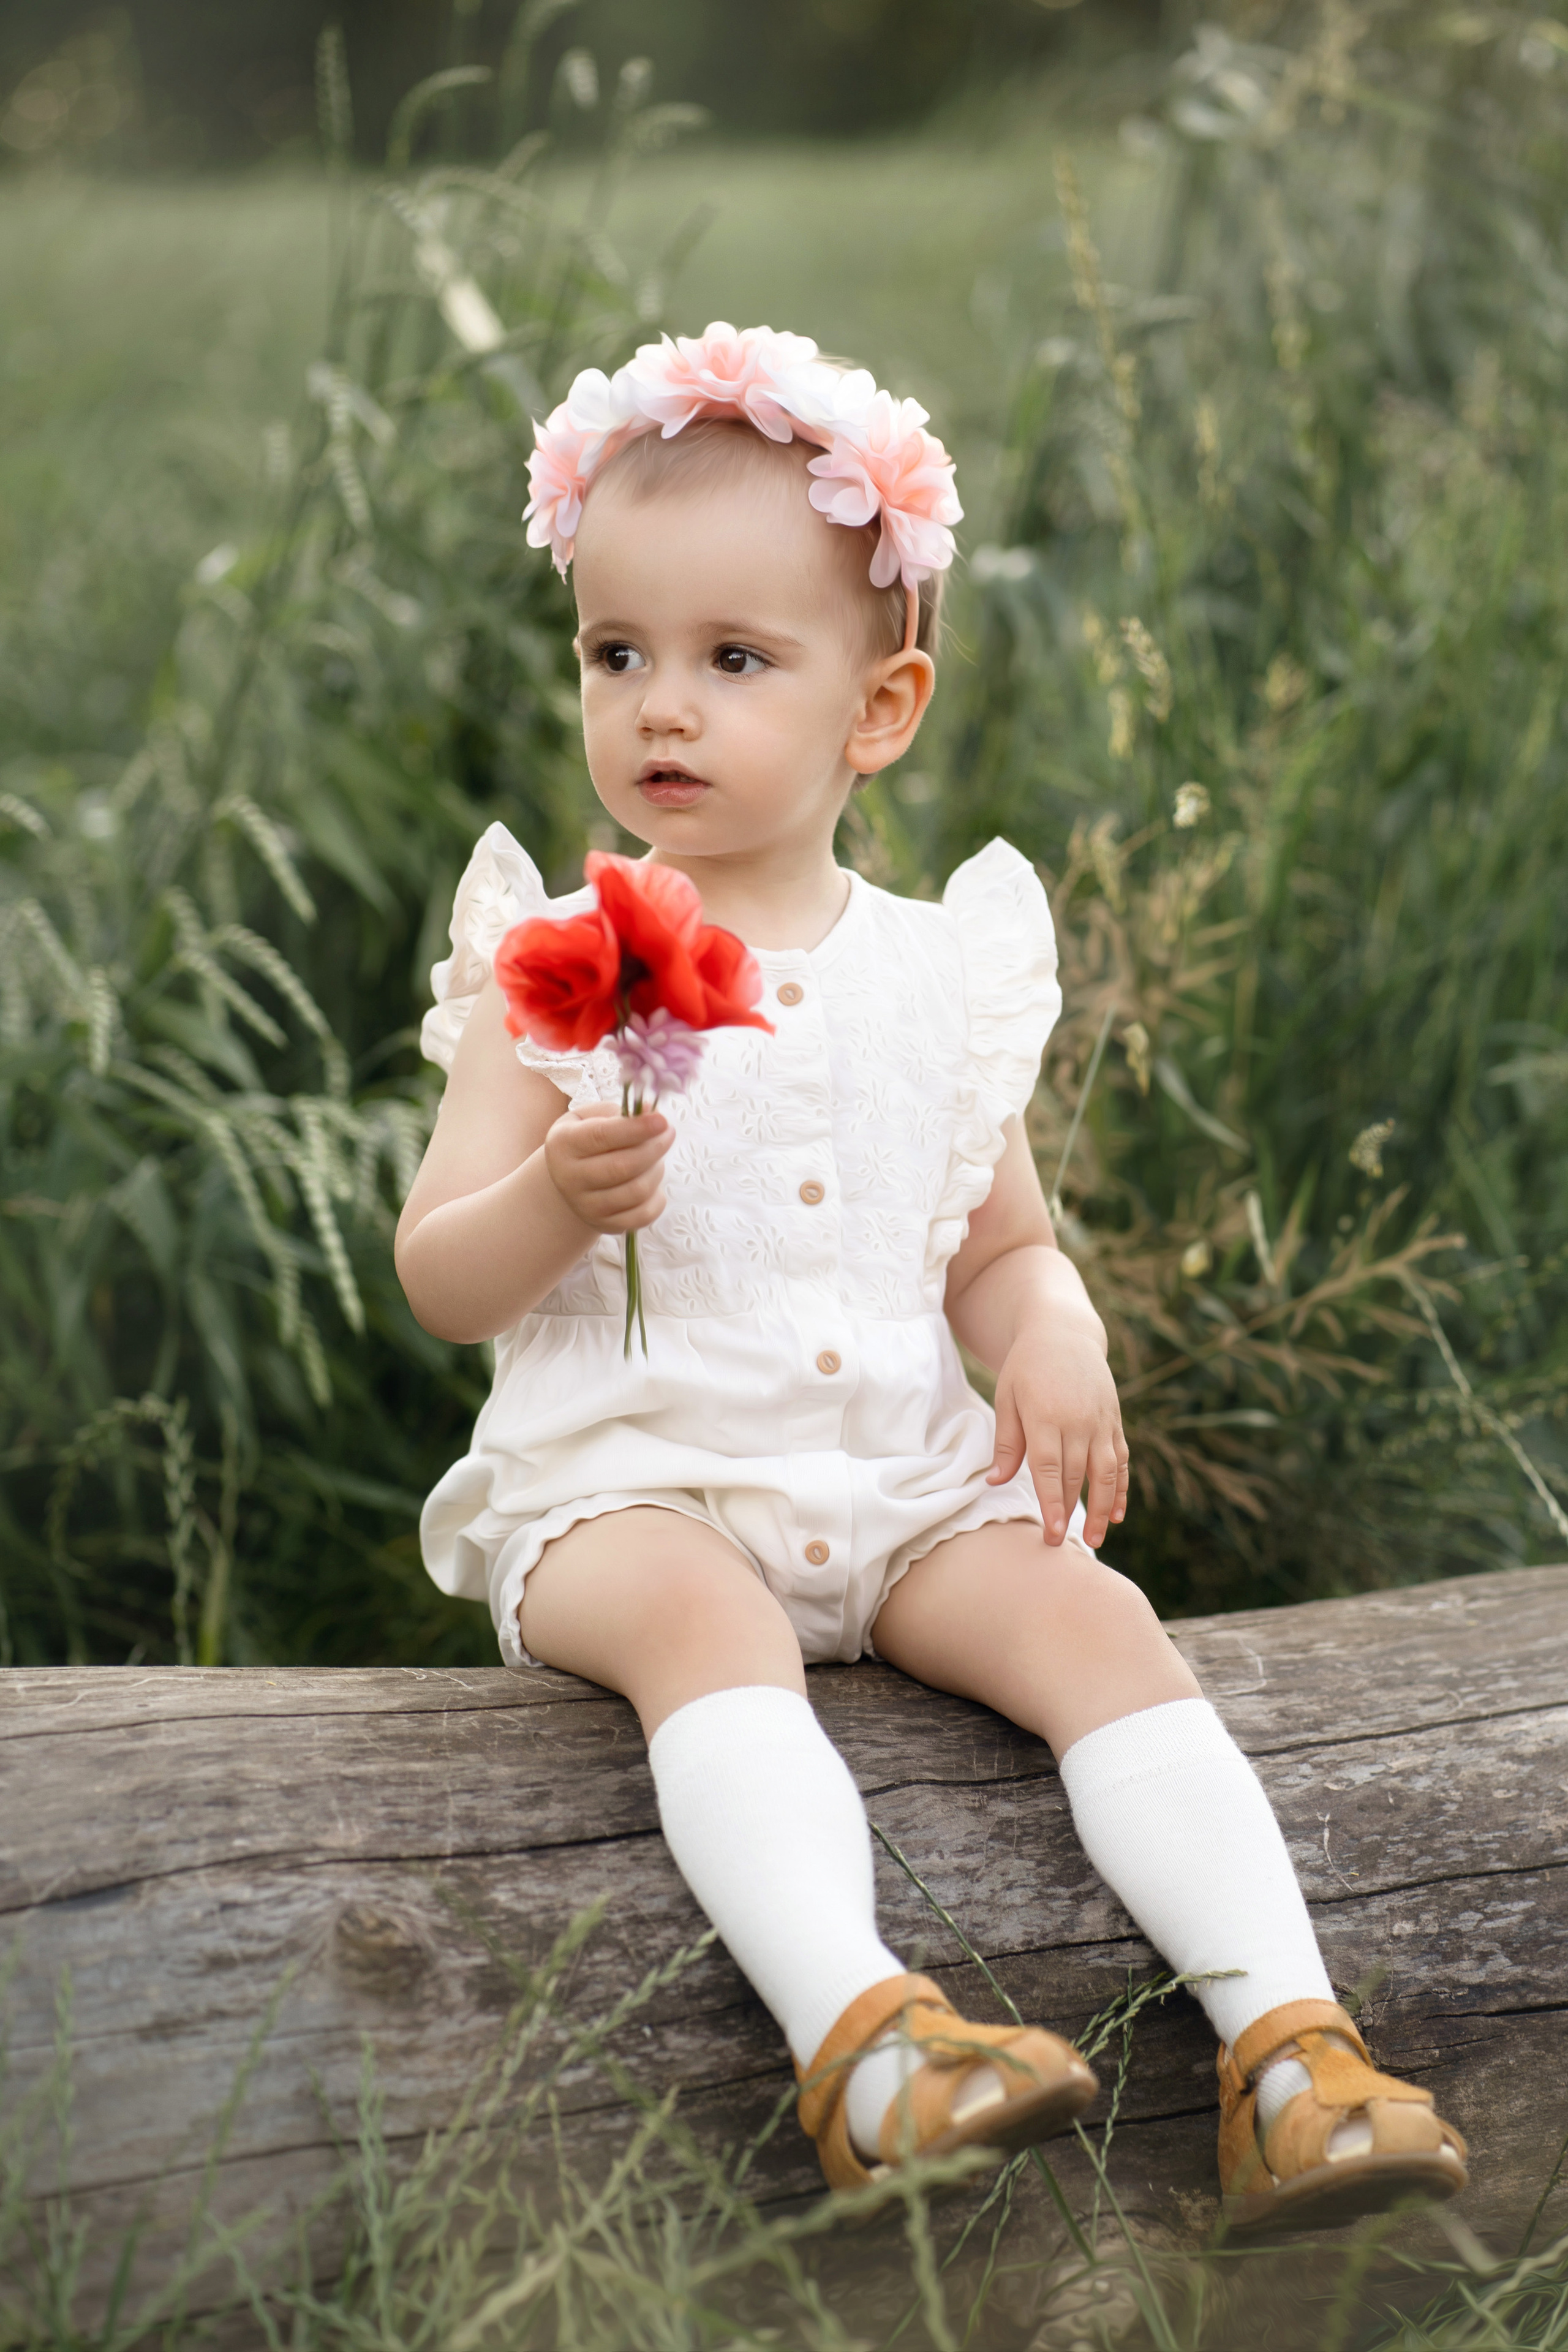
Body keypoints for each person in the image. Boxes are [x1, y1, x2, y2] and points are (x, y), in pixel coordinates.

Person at [394, 325, 1468, 2229]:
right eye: (616, 653)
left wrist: (1053, 1329)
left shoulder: (933, 973)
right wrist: (560, 1198)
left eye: (735, 660)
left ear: (877, 710)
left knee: (1099, 1625)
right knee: (702, 1634)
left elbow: (997, 1242)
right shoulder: (554, 960)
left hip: (894, 1476)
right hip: (634, 1485)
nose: (661, 705)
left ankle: (1293, 2053)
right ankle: (867, 2040)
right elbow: (441, 1278)